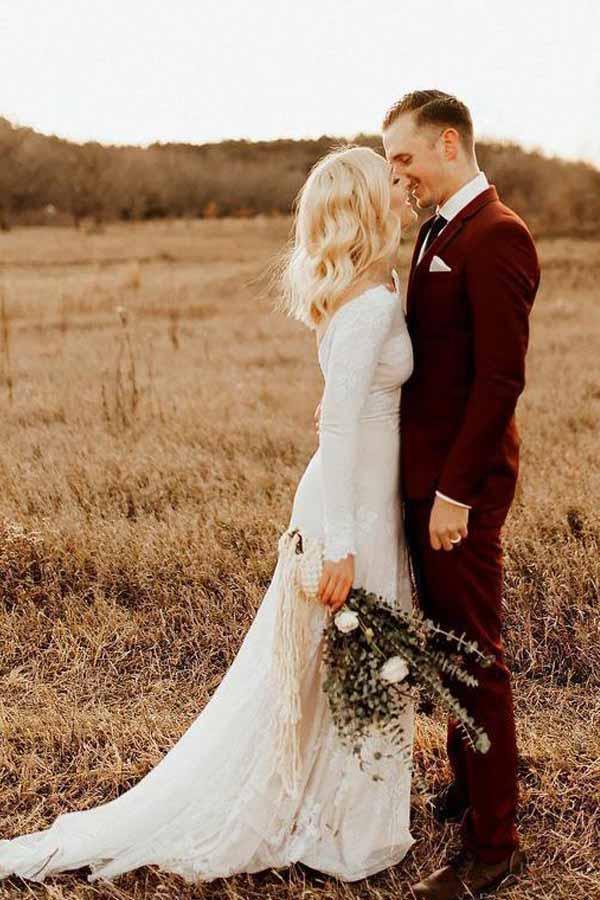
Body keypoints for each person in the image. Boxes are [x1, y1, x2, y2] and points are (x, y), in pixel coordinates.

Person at [0, 146, 418, 886]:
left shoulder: (375, 285)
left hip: (363, 496)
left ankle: (341, 809)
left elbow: (351, 403)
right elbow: (338, 424)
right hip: (346, 510)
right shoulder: (370, 304)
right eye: (390, 178)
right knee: (345, 663)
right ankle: (342, 827)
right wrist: (341, 545)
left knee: (344, 664)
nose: (402, 184)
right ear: (366, 201)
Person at [382, 90, 540, 900]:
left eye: (404, 158)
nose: (397, 174)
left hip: (459, 489)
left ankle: (495, 844)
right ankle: (467, 781)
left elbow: (499, 381)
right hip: (422, 478)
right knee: (446, 646)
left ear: (449, 144)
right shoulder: (435, 227)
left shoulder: (497, 233)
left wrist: (453, 494)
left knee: (475, 656)